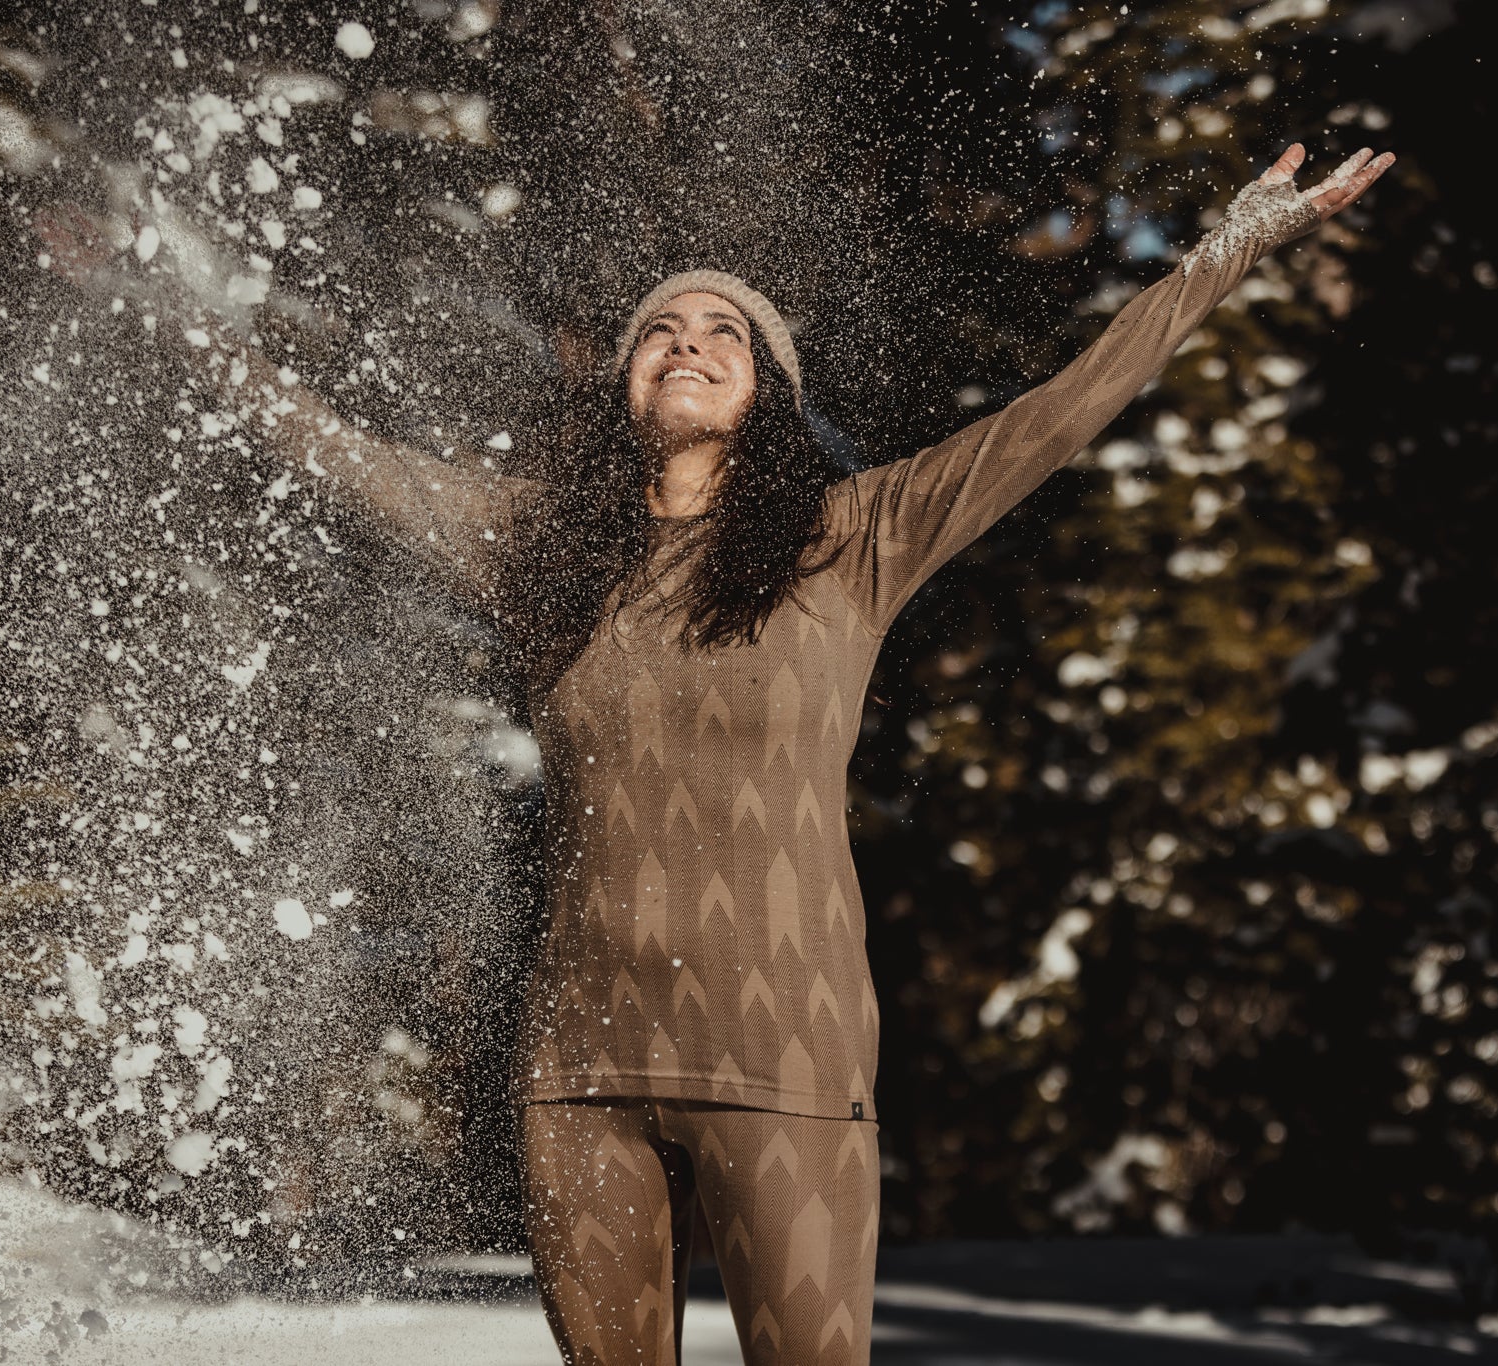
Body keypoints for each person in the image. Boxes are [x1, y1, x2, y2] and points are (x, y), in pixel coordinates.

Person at [94, 141, 1392, 1364]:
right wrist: (168, 311)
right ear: (623, 385)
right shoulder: (541, 552)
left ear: (769, 387)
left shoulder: (855, 537)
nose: (689, 343)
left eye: (726, 332)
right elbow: (335, 451)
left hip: (788, 1058)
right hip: (582, 1072)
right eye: (662, 329)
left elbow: (1062, 410)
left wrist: (1229, 250)